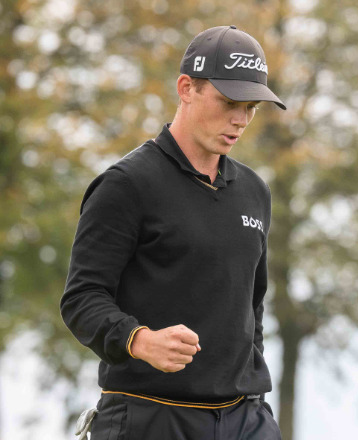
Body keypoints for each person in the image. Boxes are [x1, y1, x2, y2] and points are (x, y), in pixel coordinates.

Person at [60, 25, 285, 440]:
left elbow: (251, 307)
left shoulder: (255, 192)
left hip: (246, 420)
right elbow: (81, 299)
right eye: (230, 102)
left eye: (251, 106)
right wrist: (138, 339)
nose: (241, 119)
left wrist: (257, 407)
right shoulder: (126, 185)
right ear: (186, 88)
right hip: (150, 419)